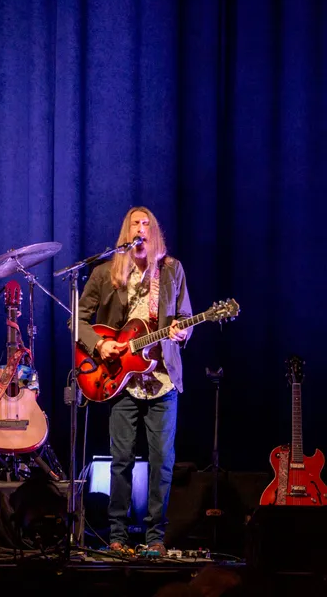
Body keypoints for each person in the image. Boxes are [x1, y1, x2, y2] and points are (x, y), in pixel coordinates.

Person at [75, 207, 193, 556]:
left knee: (162, 460)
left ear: (155, 233)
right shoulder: (105, 272)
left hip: (161, 379)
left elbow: (185, 316)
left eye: (146, 225)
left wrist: (182, 333)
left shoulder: (171, 270)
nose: (140, 230)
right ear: (125, 234)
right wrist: (99, 343)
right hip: (121, 378)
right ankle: (117, 536)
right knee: (121, 458)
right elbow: (77, 319)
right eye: (134, 225)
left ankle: (155, 537)